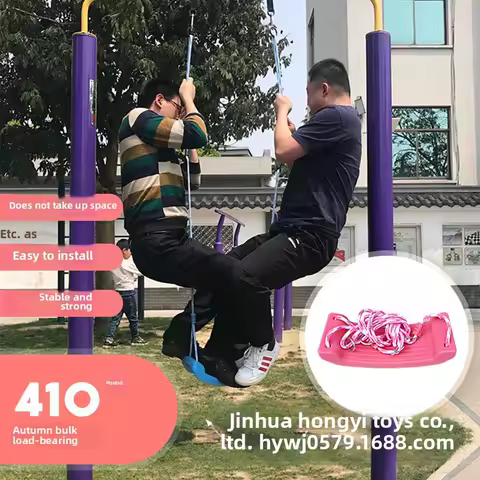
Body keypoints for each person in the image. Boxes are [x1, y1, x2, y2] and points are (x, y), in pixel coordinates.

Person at [165, 58, 362, 388]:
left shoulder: (337, 116)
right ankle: (215, 349)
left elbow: (283, 150)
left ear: (324, 89)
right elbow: (300, 156)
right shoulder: (337, 124)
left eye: (308, 93)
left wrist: (281, 113)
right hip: (291, 230)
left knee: (245, 276)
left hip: (311, 236)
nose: (307, 101)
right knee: (225, 267)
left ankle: (264, 344)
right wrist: (293, 132)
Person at [121, 77, 272, 365]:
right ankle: (253, 342)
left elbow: (194, 181)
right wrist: (189, 100)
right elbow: (198, 133)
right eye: (176, 108)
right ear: (159, 100)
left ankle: (187, 340)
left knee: (228, 273)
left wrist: (187, 144)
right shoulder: (137, 117)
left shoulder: (160, 150)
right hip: (155, 238)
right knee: (233, 273)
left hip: (172, 238)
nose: (180, 115)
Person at [104, 239, 148, 347]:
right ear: (124, 250)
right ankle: (135, 337)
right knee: (133, 317)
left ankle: (109, 339)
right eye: (129, 250)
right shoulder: (127, 263)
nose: (130, 253)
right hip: (128, 293)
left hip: (117, 292)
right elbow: (141, 271)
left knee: (115, 318)